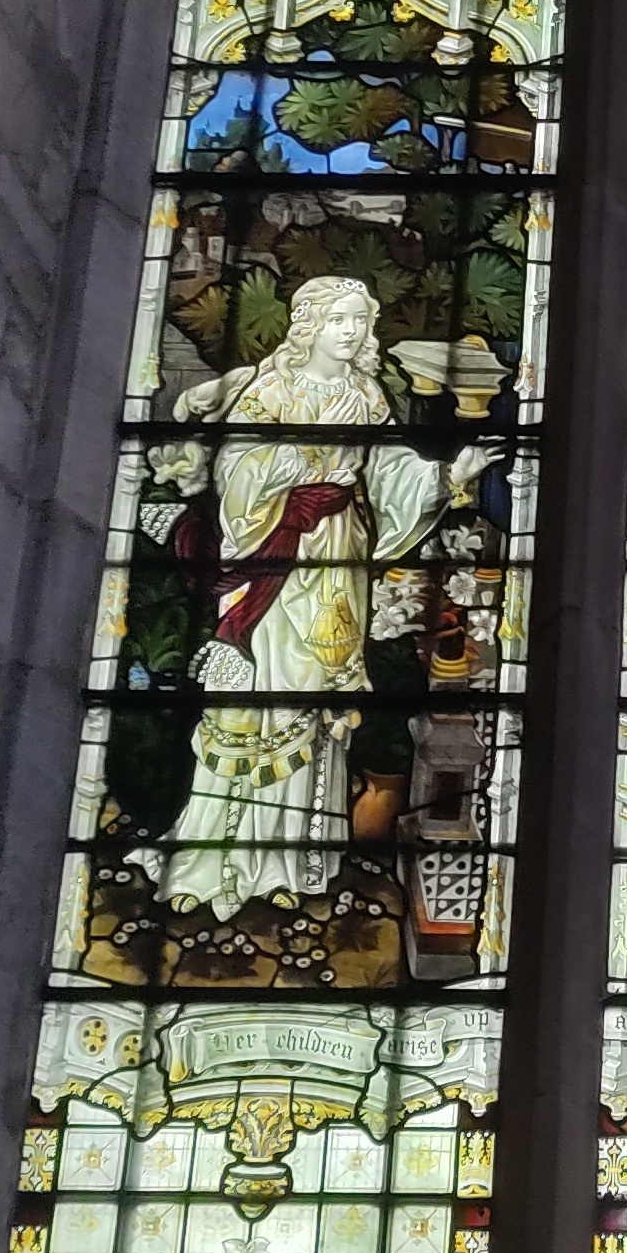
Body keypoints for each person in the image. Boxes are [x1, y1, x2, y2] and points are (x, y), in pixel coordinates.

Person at [143, 271, 474, 921]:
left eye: (360, 321)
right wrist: (298, 467)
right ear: (312, 326)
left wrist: (443, 478)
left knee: (313, 704)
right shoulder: (271, 390)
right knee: (250, 702)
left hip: (334, 562)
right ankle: (215, 861)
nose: (352, 332)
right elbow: (237, 469)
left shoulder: (365, 395)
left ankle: (292, 864)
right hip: (272, 561)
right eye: (341, 320)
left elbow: (389, 475)